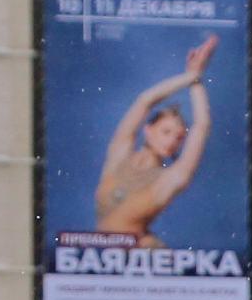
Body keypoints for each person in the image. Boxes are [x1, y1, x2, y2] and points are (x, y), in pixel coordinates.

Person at [91, 35, 215, 248]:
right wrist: (189, 76)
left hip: (142, 265)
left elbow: (201, 126)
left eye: (179, 138)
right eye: (166, 131)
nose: (172, 141)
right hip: (103, 263)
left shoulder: (170, 180)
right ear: (148, 130)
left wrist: (197, 81)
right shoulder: (118, 157)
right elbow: (145, 100)